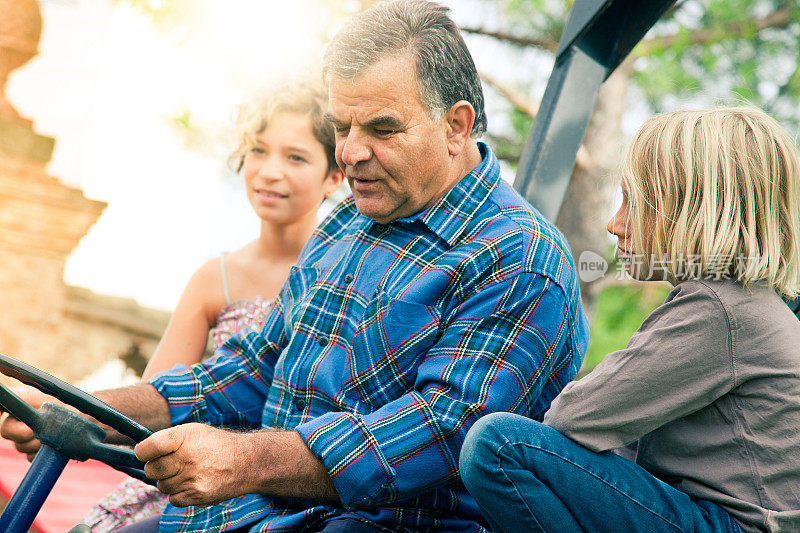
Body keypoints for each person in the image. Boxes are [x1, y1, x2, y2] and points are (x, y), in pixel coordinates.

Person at [1, 1, 589, 531]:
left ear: (456, 125)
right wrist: (87, 409)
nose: (352, 152)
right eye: (342, 127)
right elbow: (254, 370)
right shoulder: (344, 225)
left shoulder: (519, 258)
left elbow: (439, 432)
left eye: (382, 129)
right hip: (250, 517)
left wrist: (245, 461)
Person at [459, 106, 800, 533]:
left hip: (732, 526)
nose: (614, 224)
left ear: (694, 209)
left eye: (635, 203)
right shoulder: (745, 305)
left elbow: (573, 417)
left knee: (499, 446)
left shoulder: (719, 311)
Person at [77, 80, 344, 532]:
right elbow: (155, 393)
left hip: (287, 487)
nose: (269, 171)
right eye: (258, 151)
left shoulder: (339, 278)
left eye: (295, 157)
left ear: (334, 177)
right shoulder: (213, 278)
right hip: (190, 475)